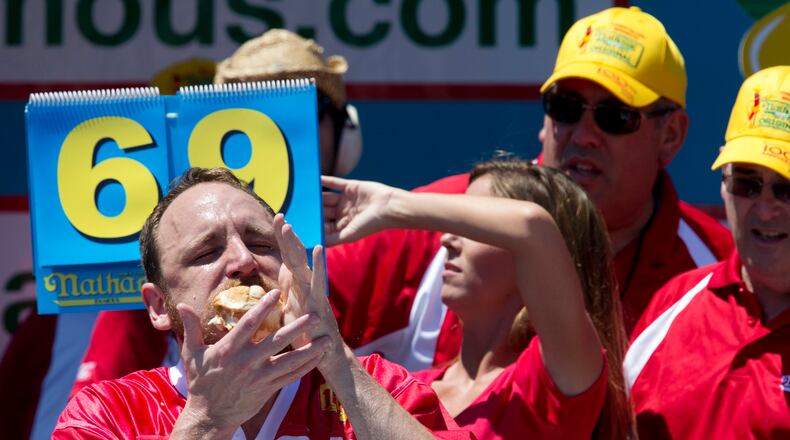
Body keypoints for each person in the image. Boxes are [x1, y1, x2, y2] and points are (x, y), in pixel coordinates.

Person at [323, 5, 734, 374]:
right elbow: (291, 311)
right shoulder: (436, 216)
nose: (584, 134)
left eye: (615, 116)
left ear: (671, 135)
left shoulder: (717, 268)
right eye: (566, 107)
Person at [54, 167, 470, 439]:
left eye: (259, 243)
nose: (243, 261)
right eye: (206, 253)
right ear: (159, 306)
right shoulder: (107, 413)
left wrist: (338, 363)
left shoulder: (378, 383)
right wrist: (208, 419)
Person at [68, 29, 364, 397]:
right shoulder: (175, 270)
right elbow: (105, 412)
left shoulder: (388, 246)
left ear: (344, 135)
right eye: (253, 121)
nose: (276, 141)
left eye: (304, 112)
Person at [321, 158, 632, 439]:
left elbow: (533, 228)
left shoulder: (556, 378)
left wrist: (392, 204)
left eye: (469, 224)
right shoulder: (406, 385)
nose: (446, 239)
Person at [624, 65, 790, 438]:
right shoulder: (671, 304)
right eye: (747, 183)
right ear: (723, 182)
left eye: (786, 189)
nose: (765, 209)